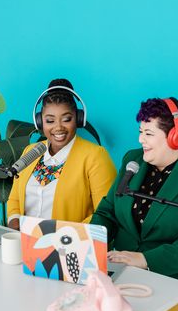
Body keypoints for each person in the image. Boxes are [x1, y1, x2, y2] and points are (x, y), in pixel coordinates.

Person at [90, 97, 178, 311]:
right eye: (140, 131)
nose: (140, 139)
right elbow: (108, 210)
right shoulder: (133, 160)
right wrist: (91, 242)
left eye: (148, 133)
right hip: (124, 283)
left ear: (177, 137)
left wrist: (145, 260)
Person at [7, 78, 117, 230]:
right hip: (24, 245)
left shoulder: (95, 156)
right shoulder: (31, 152)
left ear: (78, 119)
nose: (58, 127)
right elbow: (14, 199)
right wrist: (14, 223)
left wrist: (60, 236)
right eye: (50, 121)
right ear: (40, 122)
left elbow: (105, 213)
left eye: (66, 119)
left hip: (70, 248)